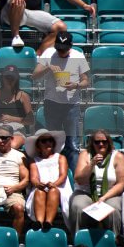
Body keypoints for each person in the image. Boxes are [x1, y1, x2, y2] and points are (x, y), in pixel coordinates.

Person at [32, 30, 89, 169]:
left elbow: (86, 81)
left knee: (72, 144)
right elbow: (34, 75)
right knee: (53, 143)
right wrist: (48, 68)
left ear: (70, 47)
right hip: (52, 104)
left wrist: (75, 85)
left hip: (71, 105)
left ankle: (74, 178)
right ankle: (55, 173)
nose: (60, 52)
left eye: (64, 50)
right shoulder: (48, 54)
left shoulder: (78, 56)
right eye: (58, 49)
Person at [69, 129, 124, 238]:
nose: (101, 144)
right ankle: (78, 241)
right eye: (97, 142)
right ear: (92, 143)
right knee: (77, 205)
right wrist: (91, 164)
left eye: (104, 141)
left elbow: (121, 184)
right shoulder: (85, 154)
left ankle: (113, 241)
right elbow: (79, 179)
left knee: (113, 208)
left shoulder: (118, 156)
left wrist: (104, 197)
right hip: (86, 192)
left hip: (110, 193)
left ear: (109, 142)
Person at [26, 129, 71, 232]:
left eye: (50, 140)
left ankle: (48, 222)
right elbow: (33, 177)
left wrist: (54, 184)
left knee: (53, 191)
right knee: (39, 192)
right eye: (44, 141)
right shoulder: (34, 161)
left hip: (59, 186)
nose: (48, 143)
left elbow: (63, 175)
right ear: (38, 145)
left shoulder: (61, 158)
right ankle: (39, 222)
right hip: (41, 187)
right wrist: (38, 183)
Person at [0, 65, 33, 150]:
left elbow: (30, 120)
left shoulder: (23, 96)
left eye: (12, 78)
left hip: (17, 130)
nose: (9, 80)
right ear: (2, 78)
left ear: (16, 79)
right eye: (7, 77)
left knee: (11, 145)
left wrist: (12, 118)